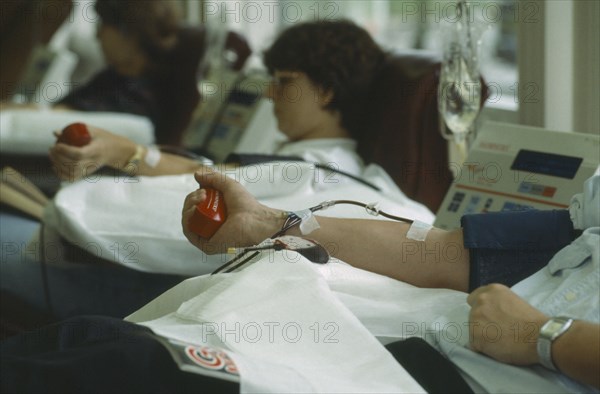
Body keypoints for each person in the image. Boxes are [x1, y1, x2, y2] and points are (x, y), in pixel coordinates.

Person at [1, 173, 598, 393]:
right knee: (96, 341)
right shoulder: (581, 221)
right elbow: (443, 251)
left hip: (481, 373)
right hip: (419, 351)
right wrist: (274, 222)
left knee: (129, 368)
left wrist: (544, 335)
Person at [48, 19, 387, 181]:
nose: (269, 93)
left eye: (284, 82)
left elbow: (206, 174)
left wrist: (121, 151)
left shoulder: (320, 169)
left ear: (326, 90)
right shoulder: (299, 158)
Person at [2, 0, 201, 146]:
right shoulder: (114, 76)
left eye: (102, 25)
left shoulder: (139, 98)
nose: (97, 36)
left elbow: (61, 118)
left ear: (129, 33)